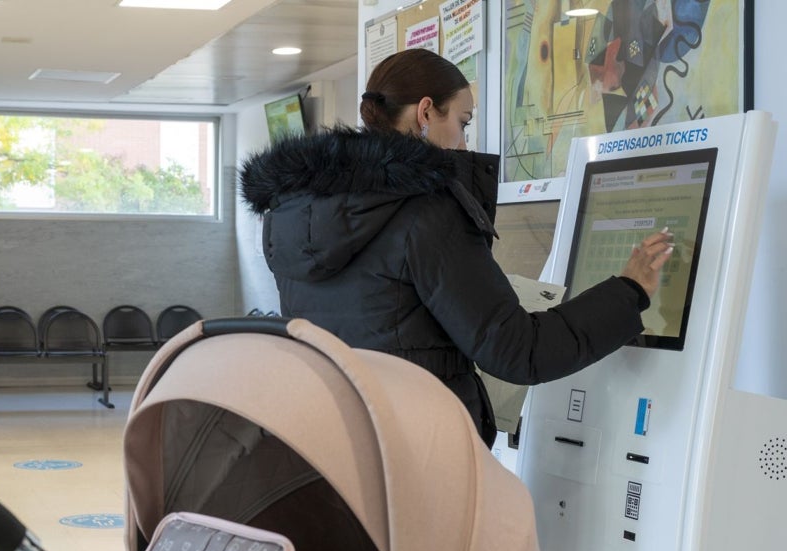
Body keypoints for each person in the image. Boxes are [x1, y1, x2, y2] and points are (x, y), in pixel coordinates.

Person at [238, 48, 673, 447]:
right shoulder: (424, 212)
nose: (464, 142)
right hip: (424, 454)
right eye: (463, 122)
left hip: (339, 449)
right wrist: (628, 292)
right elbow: (518, 351)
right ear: (426, 111)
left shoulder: (291, 213)